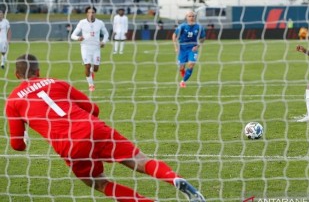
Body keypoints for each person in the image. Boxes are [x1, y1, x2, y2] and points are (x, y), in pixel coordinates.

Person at [5, 53, 206, 202]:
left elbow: (17, 145)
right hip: (94, 128)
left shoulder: (13, 100)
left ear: (16, 74)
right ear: (38, 72)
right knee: (141, 161)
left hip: (69, 145)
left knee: (98, 182)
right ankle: (176, 180)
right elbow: (93, 108)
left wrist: (25, 138)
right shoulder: (58, 83)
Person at [71, 6, 109, 92]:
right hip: (85, 47)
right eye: (89, 12)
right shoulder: (82, 23)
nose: (91, 14)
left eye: (93, 12)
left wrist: (103, 42)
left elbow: (106, 34)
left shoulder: (100, 23)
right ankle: (91, 85)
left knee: (96, 69)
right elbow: (72, 35)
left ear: (95, 13)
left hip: (96, 48)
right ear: (86, 13)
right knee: (87, 66)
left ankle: (92, 72)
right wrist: (78, 38)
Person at [172, 11, 206, 88]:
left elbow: (203, 38)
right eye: (189, 16)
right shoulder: (182, 26)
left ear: (195, 17)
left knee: (191, 65)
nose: (191, 18)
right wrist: (176, 47)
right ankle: (184, 75)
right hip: (182, 49)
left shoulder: (199, 27)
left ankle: (183, 82)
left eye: (192, 16)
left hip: (192, 48)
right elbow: (174, 35)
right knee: (181, 67)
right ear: (186, 17)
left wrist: (197, 46)